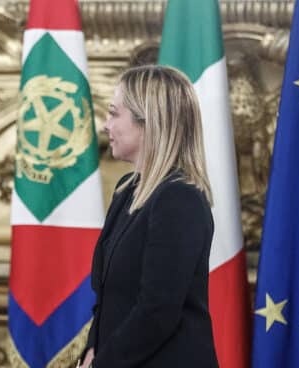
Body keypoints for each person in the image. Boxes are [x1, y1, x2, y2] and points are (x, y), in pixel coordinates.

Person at [80, 65, 218, 368]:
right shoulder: (126, 190)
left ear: (149, 122)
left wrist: (103, 363)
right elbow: (108, 298)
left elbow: (157, 310)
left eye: (115, 114)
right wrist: (92, 349)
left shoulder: (179, 199)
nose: (105, 126)